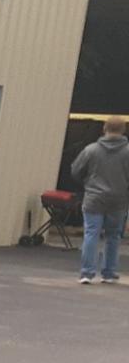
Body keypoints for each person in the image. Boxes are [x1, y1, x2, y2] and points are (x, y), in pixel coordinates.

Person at [71, 115, 129, 285]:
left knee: (91, 234)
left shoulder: (91, 150)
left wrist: (88, 183)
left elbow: (76, 170)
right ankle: (109, 273)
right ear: (123, 130)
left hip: (94, 198)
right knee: (113, 236)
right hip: (118, 200)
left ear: (104, 128)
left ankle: (87, 273)